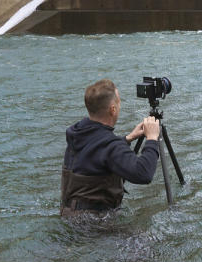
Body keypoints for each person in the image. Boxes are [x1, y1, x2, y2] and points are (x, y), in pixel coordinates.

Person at [60, 78, 160, 216]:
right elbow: (143, 174)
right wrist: (152, 139)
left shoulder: (77, 133)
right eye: (119, 102)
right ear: (113, 109)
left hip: (70, 215)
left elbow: (96, 152)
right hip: (95, 227)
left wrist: (127, 139)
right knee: (152, 238)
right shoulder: (110, 145)